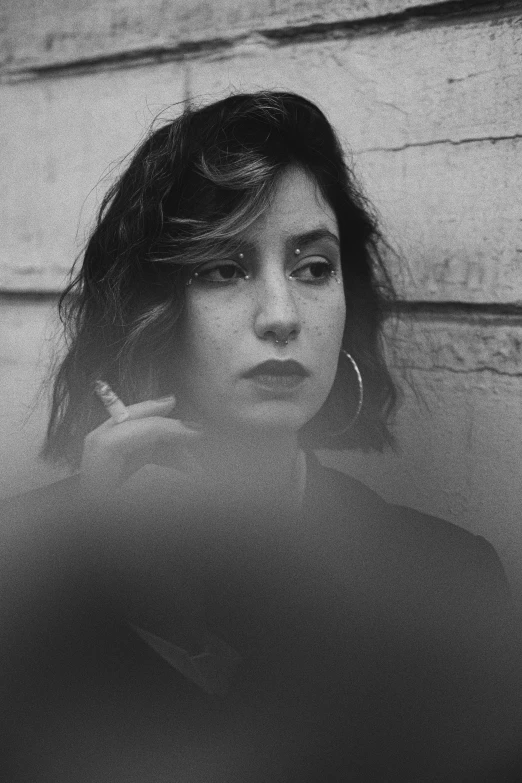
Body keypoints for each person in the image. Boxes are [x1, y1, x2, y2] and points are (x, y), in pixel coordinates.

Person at [1, 91, 521, 781]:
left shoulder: (451, 576)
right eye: (224, 268)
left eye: (314, 268)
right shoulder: (20, 568)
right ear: (153, 308)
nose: (282, 316)